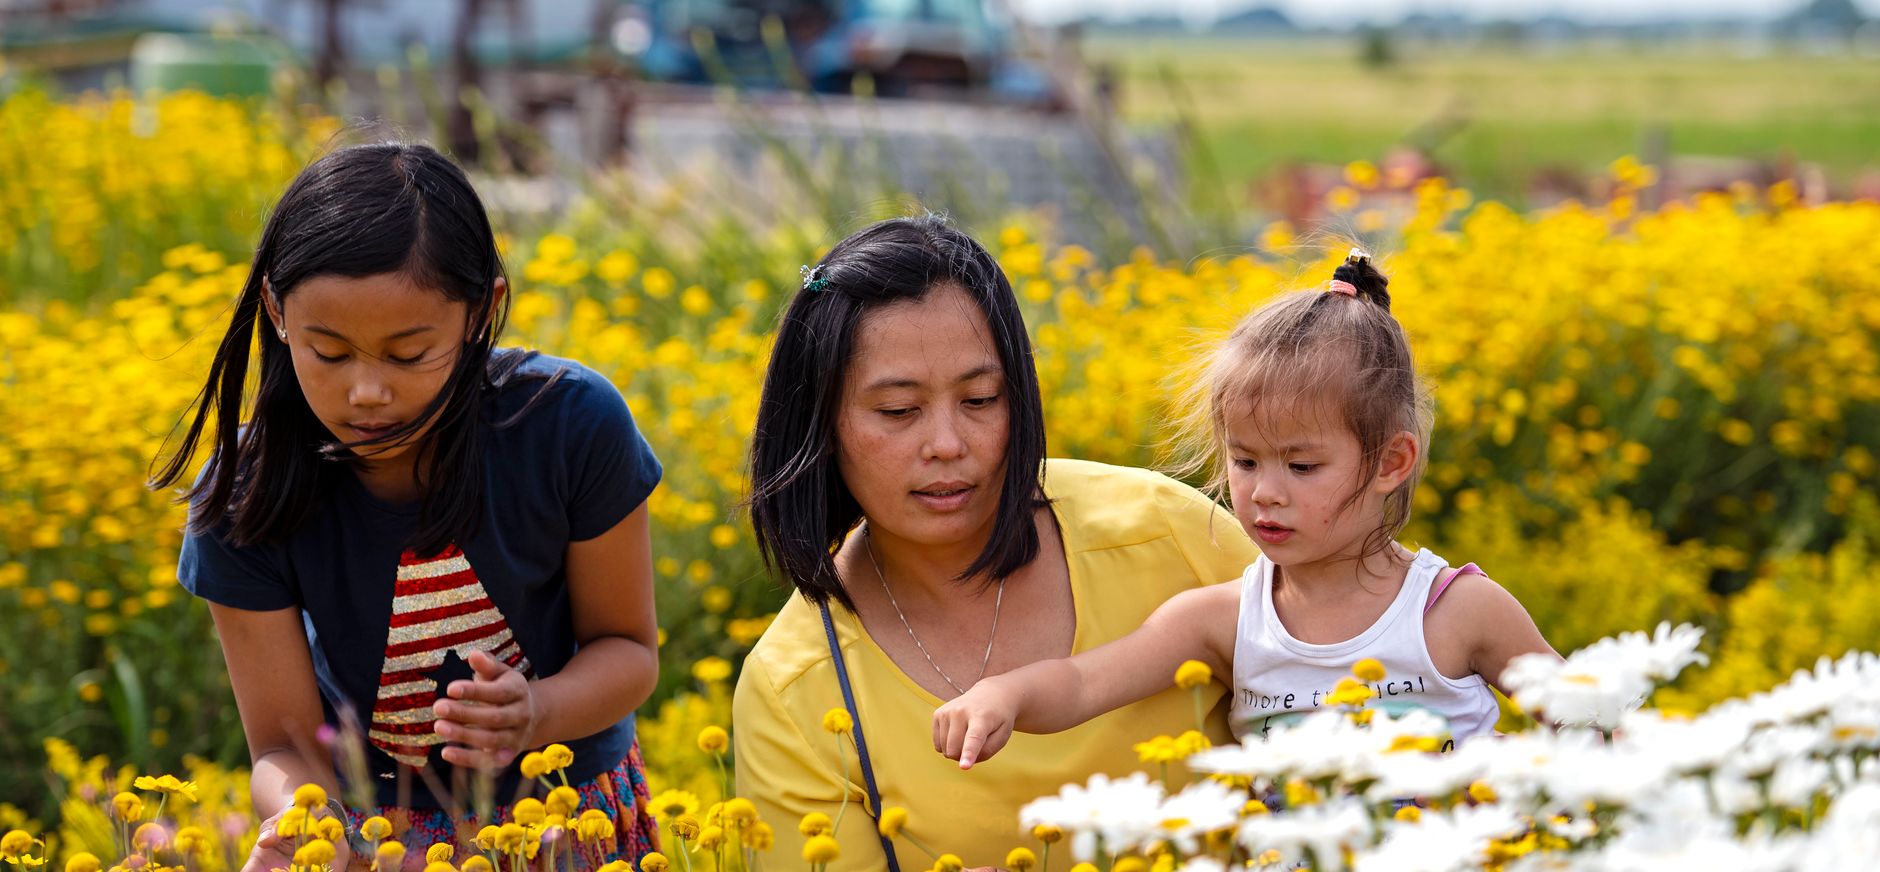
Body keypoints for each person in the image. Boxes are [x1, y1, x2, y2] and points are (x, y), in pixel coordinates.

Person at [152, 143, 662, 870]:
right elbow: (283, 747)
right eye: (329, 354)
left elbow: (629, 652)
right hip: (374, 837)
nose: (366, 392)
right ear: (276, 311)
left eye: (407, 354)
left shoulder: (569, 426)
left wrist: (537, 712)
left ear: (482, 311)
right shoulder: (245, 492)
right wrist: (309, 824)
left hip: (566, 815)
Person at [733, 215, 1258, 871]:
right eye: (898, 411)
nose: (947, 443)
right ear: (820, 426)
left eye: (981, 399)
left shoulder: (1167, 532)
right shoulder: (794, 692)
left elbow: (1350, 698)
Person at [934, 249, 1562, 768]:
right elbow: (1083, 683)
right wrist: (1003, 694)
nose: (1265, 492)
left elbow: (1593, 720)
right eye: (1245, 461)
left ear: (1390, 463)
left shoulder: (1456, 612)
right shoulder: (1226, 620)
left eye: (1302, 466)